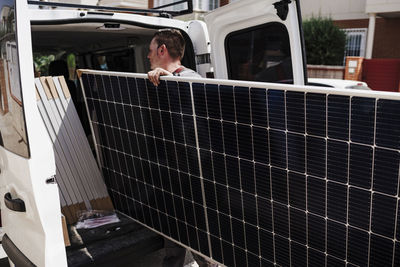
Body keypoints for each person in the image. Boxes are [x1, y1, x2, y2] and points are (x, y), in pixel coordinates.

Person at [147, 29, 216, 267]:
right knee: (173, 236)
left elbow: (193, 117)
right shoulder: (160, 81)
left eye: (150, 50)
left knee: (198, 238)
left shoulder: (191, 79)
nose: (147, 56)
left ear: (162, 50)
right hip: (173, 170)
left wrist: (168, 77)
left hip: (195, 172)